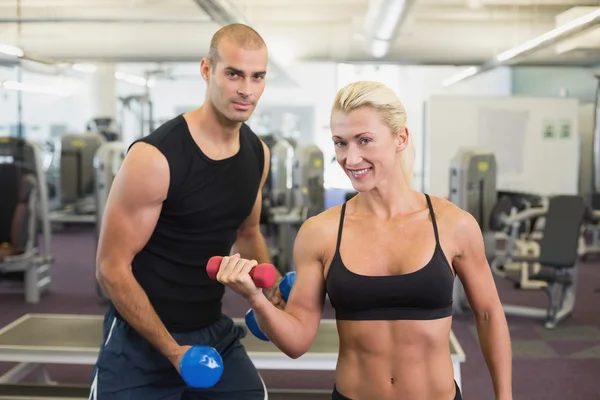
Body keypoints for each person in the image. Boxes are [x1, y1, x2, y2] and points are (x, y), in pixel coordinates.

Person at [216, 81, 513, 400]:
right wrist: (255, 298)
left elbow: (488, 315)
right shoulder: (321, 232)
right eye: (340, 143)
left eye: (365, 141)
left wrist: (504, 397)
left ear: (401, 138)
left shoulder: (453, 224)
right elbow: (297, 343)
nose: (351, 158)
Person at [91, 23, 281, 399]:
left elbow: (248, 232)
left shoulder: (257, 153)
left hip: (212, 332)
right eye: (234, 74)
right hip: (139, 341)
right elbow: (110, 269)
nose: (247, 90)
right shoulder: (154, 158)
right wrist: (173, 351)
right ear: (207, 70)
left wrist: (270, 293)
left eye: (257, 77)